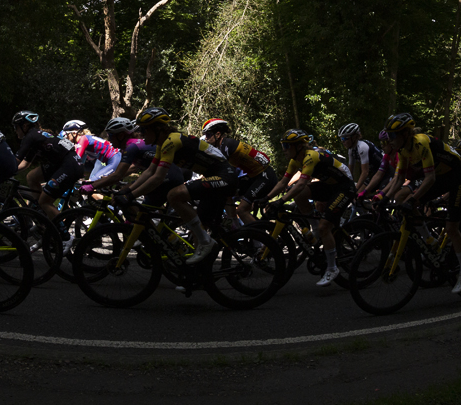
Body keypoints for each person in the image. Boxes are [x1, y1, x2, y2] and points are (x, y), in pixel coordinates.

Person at [117, 106, 237, 265]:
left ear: (158, 129)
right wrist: (128, 191)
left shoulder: (171, 142)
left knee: (174, 195)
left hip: (225, 176)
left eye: (145, 130)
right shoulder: (162, 145)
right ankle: (198, 272)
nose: (141, 134)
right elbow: (149, 173)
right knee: (200, 224)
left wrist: (131, 195)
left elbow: (158, 178)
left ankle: (206, 242)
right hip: (215, 177)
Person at [381, 113, 461, 294]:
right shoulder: (404, 150)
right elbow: (399, 178)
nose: (389, 141)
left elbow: (429, 179)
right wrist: (383, 198)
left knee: (452, 227)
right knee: (404, 201)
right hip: (441, 177)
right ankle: (430, 239)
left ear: (405, 134)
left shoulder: (420, 143)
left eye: (392, 136)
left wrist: (413, 199)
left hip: (458, 177)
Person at [266, 128, 355, 285]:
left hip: (344, 187)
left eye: (287, 146)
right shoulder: (295, 160)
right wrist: (265, 198)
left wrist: (281, 201)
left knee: (324, 227)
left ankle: (332, 268)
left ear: (298, 146)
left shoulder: (311, 156)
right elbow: (282, 183)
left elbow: (300, 184)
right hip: (329, 186)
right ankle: (315, 229)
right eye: (283, 146)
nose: (284, 150)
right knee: (301, 196)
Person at [201, 118, 277, 226]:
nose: (206, 138)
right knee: (226, 192)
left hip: (264, 177)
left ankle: (261, 240)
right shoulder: (224, 145)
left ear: (218, 134)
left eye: (208, 135)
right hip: (254, 177)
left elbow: (217, 170)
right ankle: (235, 226)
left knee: (241, 210)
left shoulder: (226, 146)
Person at [12, 110, 82, 221]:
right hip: (65, 163)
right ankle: (42, 213)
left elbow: (15, 161)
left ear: (24, 126)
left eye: (16, 127)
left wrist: (0, 172)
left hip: (69, 166)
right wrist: (11, 171)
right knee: (31, 177)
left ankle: (64, 235)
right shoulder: (35, 136)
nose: (15, 131)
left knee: (45, 201)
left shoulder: (30, 137)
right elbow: (25, 164)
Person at [338, 123, 381, 195]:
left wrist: (355, 189)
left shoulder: (362, 147)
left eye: (345, 138)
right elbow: (349, 172)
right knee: (355, 196)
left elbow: (365, 172)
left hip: (382, 172)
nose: (343, 141)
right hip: (373, 173)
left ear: (354, 137)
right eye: (341, 139)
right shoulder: (351, 150)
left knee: (357, 196)